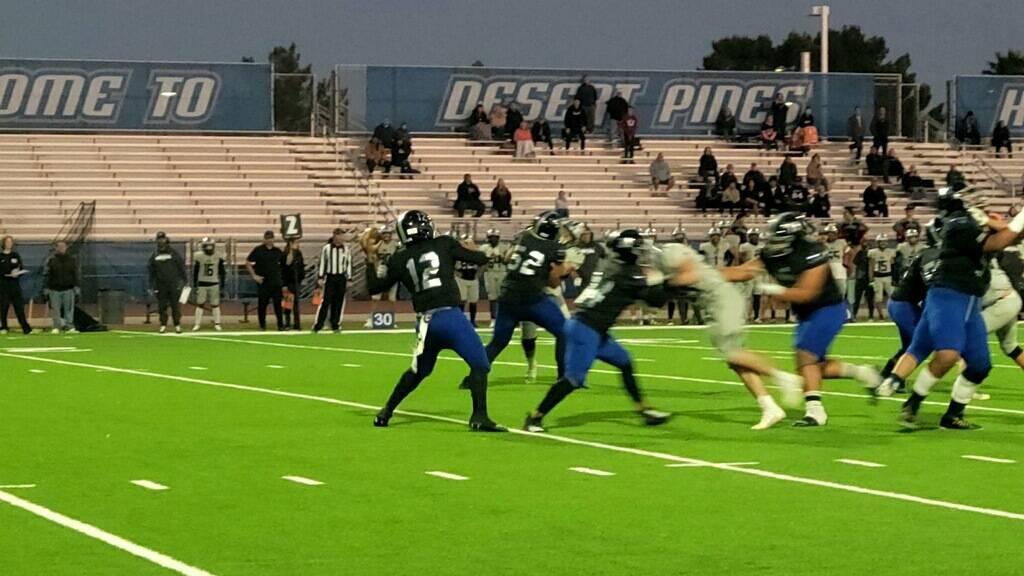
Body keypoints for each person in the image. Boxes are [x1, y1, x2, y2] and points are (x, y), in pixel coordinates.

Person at [874, 189, 1024, 429]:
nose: (976, 203)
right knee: (947, 354)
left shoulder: (960, 223)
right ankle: (912, 404)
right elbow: (1001, 239)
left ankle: (952, 414)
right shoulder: (959, 223)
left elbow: (1008, 234)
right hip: (951, 294)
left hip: (967, 300)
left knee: (979, 365)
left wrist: (990, 221)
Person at [729, 213, 881, 426]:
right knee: (811, 366)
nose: (775, 240)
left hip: (828, 308)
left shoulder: (812, 251)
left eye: (780, 236)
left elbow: (807, 293)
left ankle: (815, 412)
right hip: (806, 313)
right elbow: (742, 272)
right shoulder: (772, 253)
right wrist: (704, 274)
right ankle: (863, 372)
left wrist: (777, 290)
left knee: (805, 356)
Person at [523, 229, 674, 433]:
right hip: (586, 329)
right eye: (638, 249)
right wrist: (670, 282)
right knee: (573, 380)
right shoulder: (628, 272)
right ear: (629, 251)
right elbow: (655, 301)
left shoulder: (614, 265)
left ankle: (645, 410)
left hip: (593, 328)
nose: (642, 253)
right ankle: (535, 416)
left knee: (625, 362)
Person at [363, 210, 502, 431]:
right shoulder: (443, 243)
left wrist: (370, 257)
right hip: (450, 317)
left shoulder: (399, 257)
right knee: (480, 364)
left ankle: (386, 411)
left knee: (418, 371)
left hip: (426, 322)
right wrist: (474, 249)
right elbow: (478, 259)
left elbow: (374, 287)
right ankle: (479, 416)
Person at [660, 240, 805, 428]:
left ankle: (783, 377)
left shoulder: (683, 263)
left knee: (732, 354)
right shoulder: (698, 269)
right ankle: (769, 407)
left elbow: (686, 275)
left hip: (723, 306)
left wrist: (660, 281)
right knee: (735, 362)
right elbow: (735, 273)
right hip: (716, 309)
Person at [479, 212, 573, 382]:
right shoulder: (555, 248)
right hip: (532, 299)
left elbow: (508, 259)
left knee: (498, 342)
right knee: (564, 331)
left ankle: (474, 377)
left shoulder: (525, 237)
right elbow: (553, 283)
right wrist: (563, 270)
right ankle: (563, 377)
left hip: (508, 295)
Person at [879, 221, 942, 382]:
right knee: (921, 344)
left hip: (903, 303)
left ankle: (886, 375)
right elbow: (931, 288)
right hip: (903, 305)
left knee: (909, 346)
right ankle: (896, 379)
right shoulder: (932, 255)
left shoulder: (929, 252)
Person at [313, 228, 352, 333]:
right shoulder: (327, 248)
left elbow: (348, 264)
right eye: (338, 235)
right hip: (331, 277)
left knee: (338, 302)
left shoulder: (346, 249)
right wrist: (320, 277)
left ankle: (335, 324)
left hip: (341, 277)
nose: (340, 238)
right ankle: (319, 325)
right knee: (326, 302)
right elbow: (322, 263)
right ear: (334, 236)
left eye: (342, 236)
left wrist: (349, 278)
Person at [148, 231, 186, 334]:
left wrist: (184, 281)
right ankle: (163, 325)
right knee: (162, 306)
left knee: (175, 305)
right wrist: (151, 285)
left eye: (162, 239)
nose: (161, 241)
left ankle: (177, 325)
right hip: (161, 284)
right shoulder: (154, 255)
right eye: (159, 239)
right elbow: (151, 271)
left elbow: (181, 267)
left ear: (166, 239)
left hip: (173, 283)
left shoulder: (173, 253)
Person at [246, 230, 285, 331]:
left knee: (278, 305)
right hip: (264, 282)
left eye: (271, 238)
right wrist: (254, 276)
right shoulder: (258, 250)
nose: (269, 240)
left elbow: (285, 263)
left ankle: (280, 325)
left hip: (275, 281)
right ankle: (262, 325)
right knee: (262, 305)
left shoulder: (277, 251)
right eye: (267, 238)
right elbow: (248, 262)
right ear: (264, 239)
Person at [364, 227, 398, 328]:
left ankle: (392, 319)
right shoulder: (377, 245)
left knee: (392, 299)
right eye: (384, 233)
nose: (386, 235)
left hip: (391, 273)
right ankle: (371, 318)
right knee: (375, 298)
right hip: (379, 272)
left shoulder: (396, 245)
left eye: (388, 233)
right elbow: (371, 258)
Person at [43, 240, 78, 334]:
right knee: (55, 310)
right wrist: (46, 287)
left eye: (63, 246)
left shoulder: (72, 260)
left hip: (69, 288)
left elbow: (75, 273)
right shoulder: (51, 260)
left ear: (66, 247)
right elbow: (47, 274)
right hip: (54, 289)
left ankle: (69, 326)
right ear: (56, 248)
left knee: (69, 309)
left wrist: (76, 286)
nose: (62, 248)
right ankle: (56, 326)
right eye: (59, 246)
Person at [192, 237, 226, 332]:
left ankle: (217, 323)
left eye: (210, 246)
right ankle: (197, 323)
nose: (209, 248)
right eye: (207, 246)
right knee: (200, 304)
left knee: (215, 304)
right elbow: (196, 271)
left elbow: (222, 271)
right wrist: (195, 284)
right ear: (203, 247)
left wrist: (222, 284)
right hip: (202, 283)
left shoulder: (218, 256)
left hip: (214, 282)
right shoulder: (199, 256)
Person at [0, 236, 31, 335]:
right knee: (3, 307)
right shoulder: (0, 256)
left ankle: (26, 328)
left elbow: (21, 267)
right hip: (3, 285)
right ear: (4, 243)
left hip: (14, 285)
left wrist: (17, 272)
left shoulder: (15, 255)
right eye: (7, 242)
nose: (9, 243)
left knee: (19, 307)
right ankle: (4, 327)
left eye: (11, 242)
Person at [480, 229, 510, 326]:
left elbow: (508, 260)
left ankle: (503, 317)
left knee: (503, 296)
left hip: (501, 272)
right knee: (492, 296)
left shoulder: (504, 247)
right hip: (490, 272)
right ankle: (493, 318)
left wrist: (502, 257)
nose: (493, 240)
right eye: (491, 238)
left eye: (495, 237)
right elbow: (480, 260)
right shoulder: (483, 248)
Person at [455, 233, 482, 327]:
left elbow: (483, 262)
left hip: (473, 278)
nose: (467, 244)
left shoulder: (476, 253)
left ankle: (472, 321)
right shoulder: (457, 252)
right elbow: (448, 262)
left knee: (473, 301)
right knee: (462, 300)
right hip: (461, 278)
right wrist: (455, 272)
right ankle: (460, 320)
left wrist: (479, 273)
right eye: (465, 242)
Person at [868, 234, 896, 320]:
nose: (883, 243)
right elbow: (871, 266)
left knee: (893, 296)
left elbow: (893, 265)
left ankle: (893, 315)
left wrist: (894, 277)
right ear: (877, 242)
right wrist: (871, 278)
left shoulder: (891, 251)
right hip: (877, 277)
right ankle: (881, 316)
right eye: (881, 241)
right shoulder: (873, 252)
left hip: (888, 276)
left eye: (884, 241)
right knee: (878, 297)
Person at [282, 238, 305, 330]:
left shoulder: (299, 254)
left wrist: (301, 277)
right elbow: (287, 264)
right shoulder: (286, 254)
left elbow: (301, 266)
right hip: (288, 282)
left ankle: (297, 323)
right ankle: (287, 323)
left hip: (296, 282)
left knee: (296, 304)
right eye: (296, 242)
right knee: (288, 304)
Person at [821, 224, 848, 300]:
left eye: (832, 233)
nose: (830, 235)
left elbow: (849, 253)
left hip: (840, 271)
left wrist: (846, 263)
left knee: (842, 292)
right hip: (827, 271)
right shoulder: (822, 244)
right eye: (828, 234)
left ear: (836, 234)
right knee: (826, 294)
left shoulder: (842, 242)